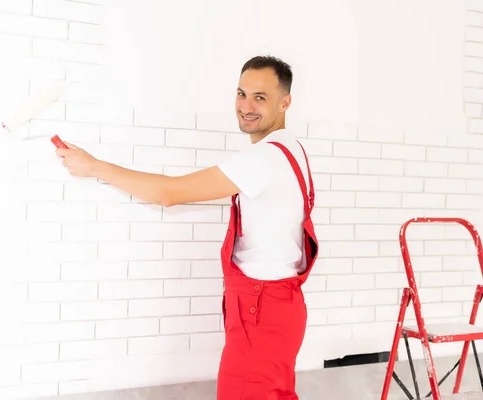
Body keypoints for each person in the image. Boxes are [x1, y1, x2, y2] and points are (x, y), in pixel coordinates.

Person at [57, 55, 319, 399]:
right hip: (281, 306)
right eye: (241, 94)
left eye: (260, 97)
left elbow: (169, 193)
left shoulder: (265, 158)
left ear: (285, 102)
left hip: (261, 307)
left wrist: (94, 167)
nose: (246, 106)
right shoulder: (292, 149)